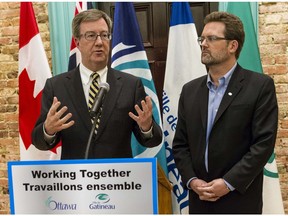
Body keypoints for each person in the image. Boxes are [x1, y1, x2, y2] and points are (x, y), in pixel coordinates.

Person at [172, 11, 278, 214]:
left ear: (232, 46)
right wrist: (193, 181)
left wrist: (228, 183)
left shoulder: (259, 86)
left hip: (239, 200)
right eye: (202, 38)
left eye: (211, 39)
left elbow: (263, 144)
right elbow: (180, 145)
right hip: (199, 200)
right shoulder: (190, 90)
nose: (203, 44)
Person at [32, 9, 162, 159]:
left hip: (119, 178)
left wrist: (146, 127)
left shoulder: (131, 85)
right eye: (91, 35)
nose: (99, 42)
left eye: (104, 35)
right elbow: (39, 142)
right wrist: (48, 130)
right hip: (75, 178)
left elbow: (154, 140)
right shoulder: (56, 86)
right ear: (77, 42)